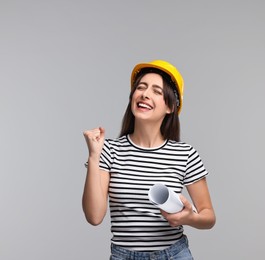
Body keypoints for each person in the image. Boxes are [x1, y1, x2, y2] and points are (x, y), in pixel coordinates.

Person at [82, 60, 216, 260]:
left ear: (170, 106)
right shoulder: (108, 150)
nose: (145, 94)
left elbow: (209, 216)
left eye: (157, 91)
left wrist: (191, 218)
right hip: (123, 256)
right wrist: (94, 156)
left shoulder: (185, 154)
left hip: (174, 254)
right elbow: (94, 217)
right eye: (141, 87)